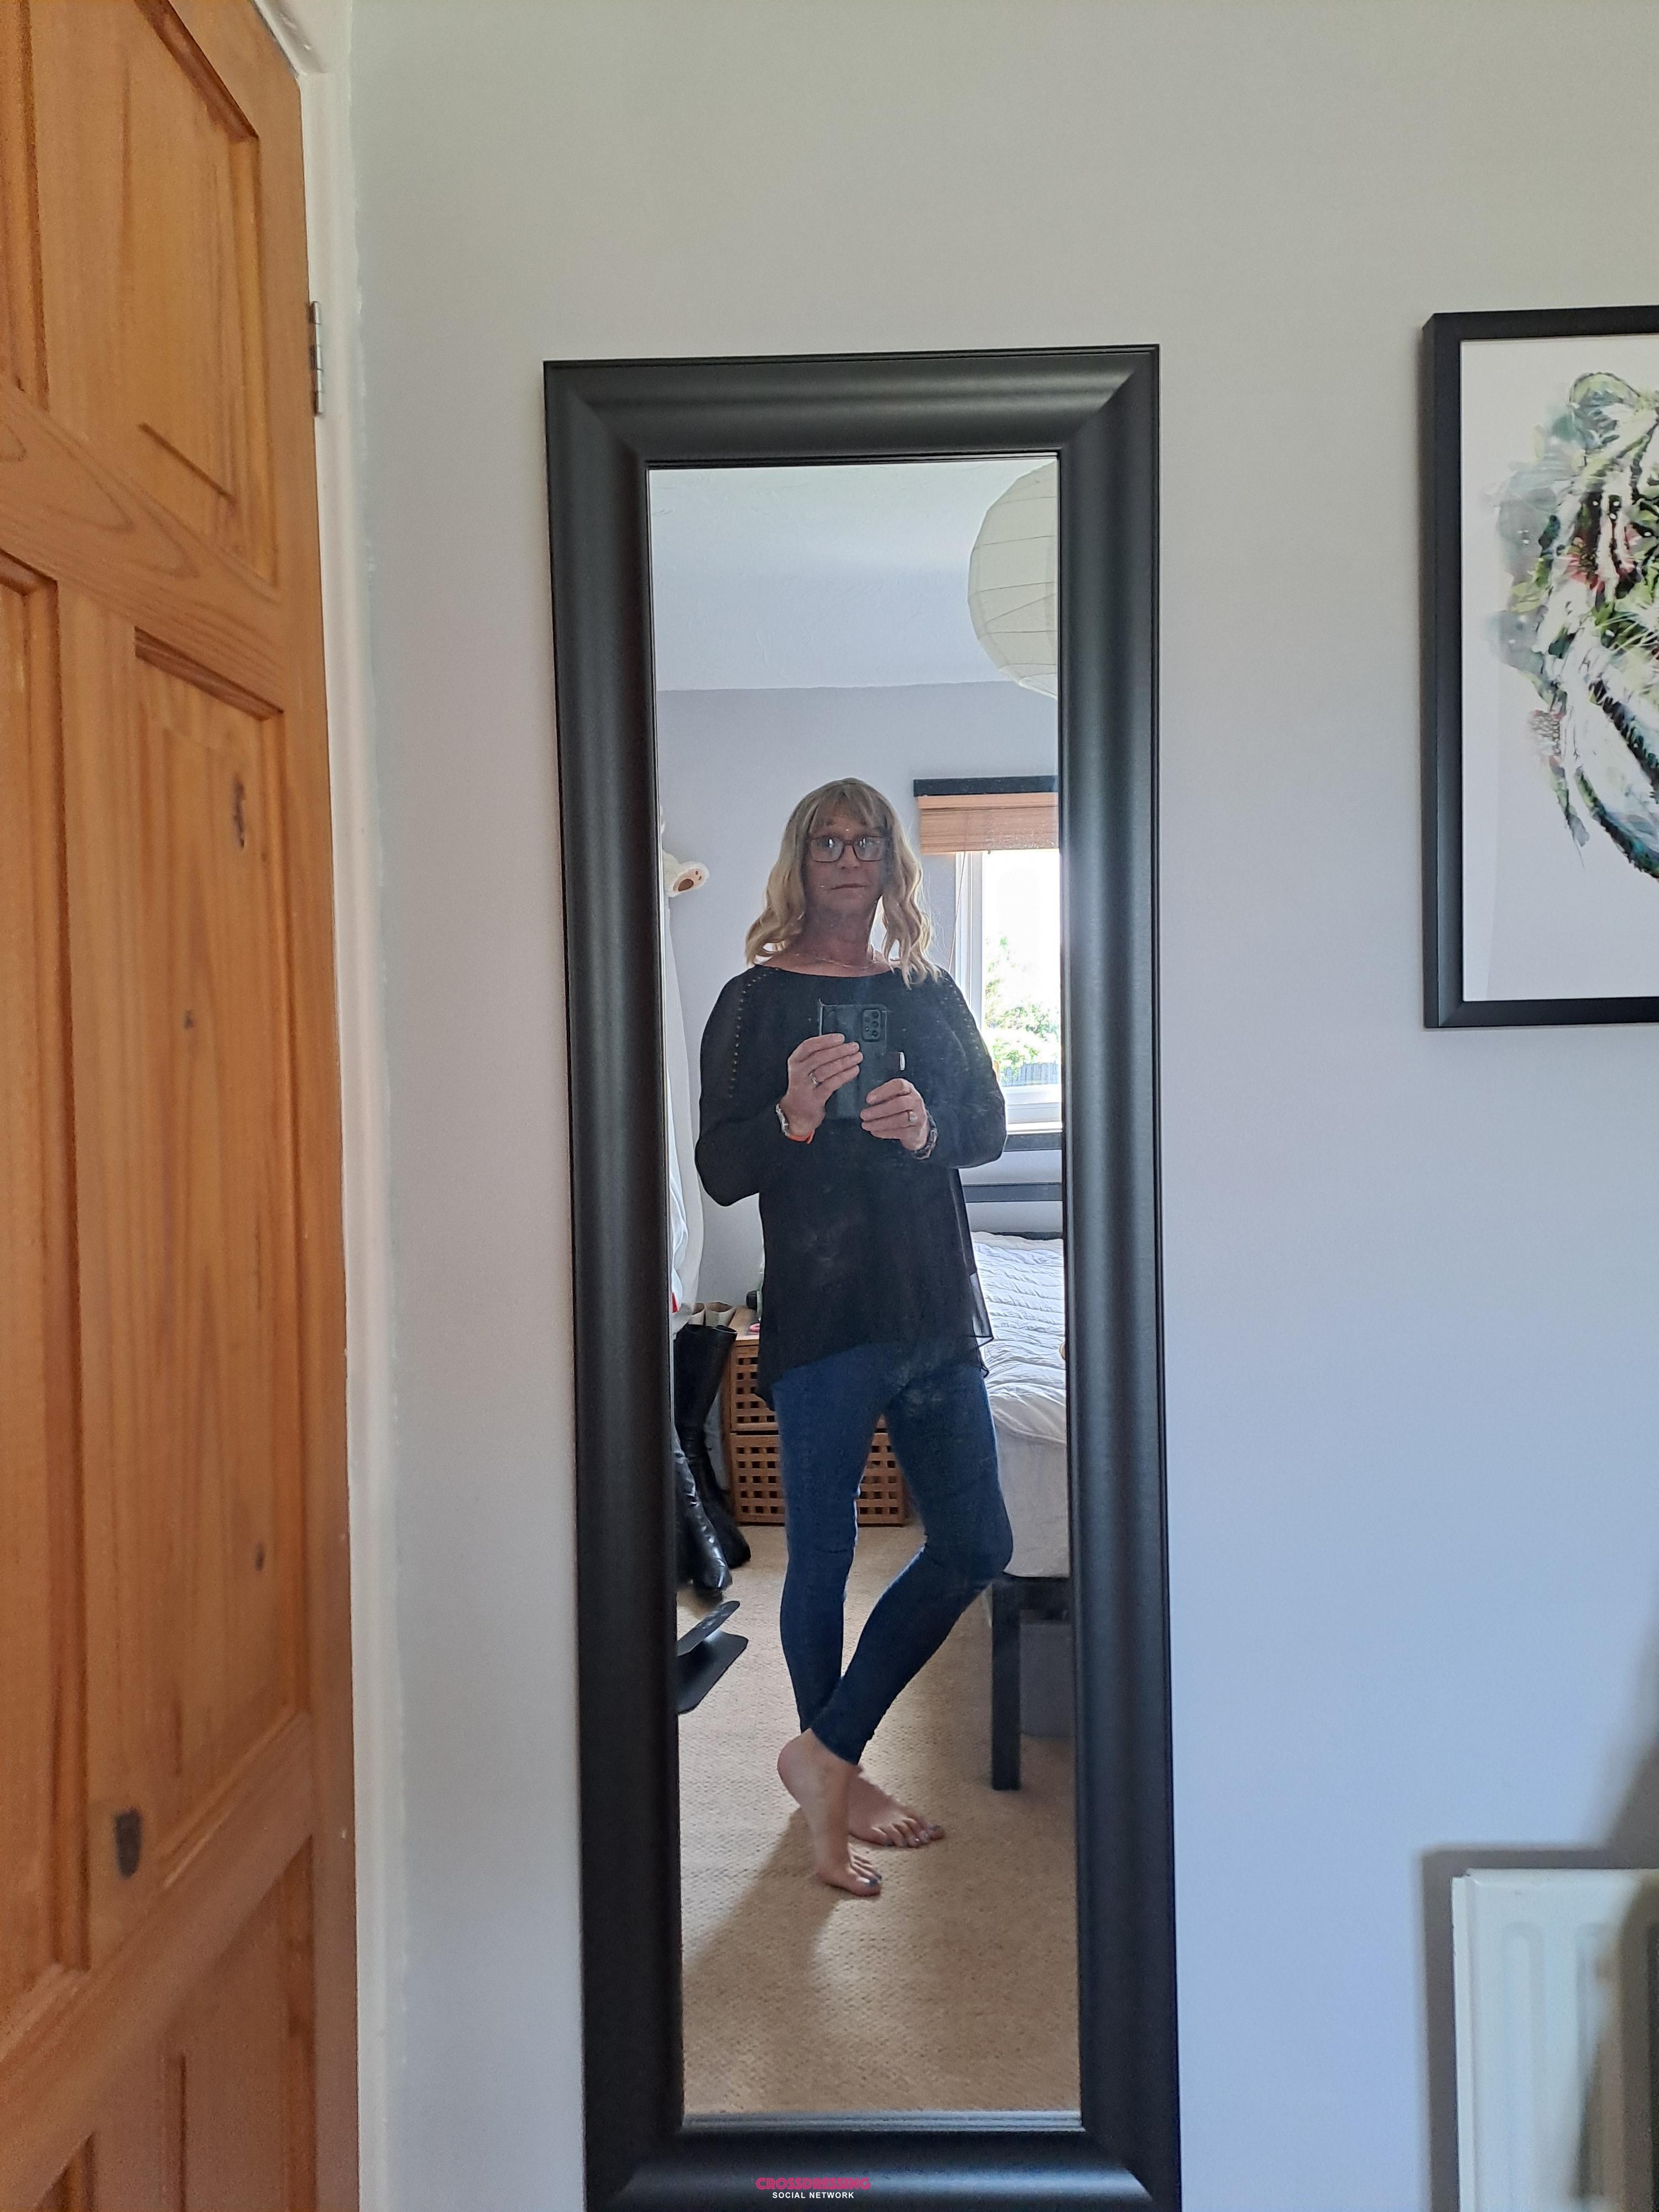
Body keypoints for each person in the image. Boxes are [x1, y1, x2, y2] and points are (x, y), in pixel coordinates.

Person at [695, 778, 1013, 1897]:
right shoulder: (751, 1001)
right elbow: (718, 1169)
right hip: (825, 1310)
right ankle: (839, 1780)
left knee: (976, 1543)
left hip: (932, 1306)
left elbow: (988, 1126)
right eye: (826, 841)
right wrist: (789, 1114)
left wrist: (927, 1127)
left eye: (865, 840)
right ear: (800, 860)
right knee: (822, 1553)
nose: (846, 857)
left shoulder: (927, 991)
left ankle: (822, 1751)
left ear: (889, 862)